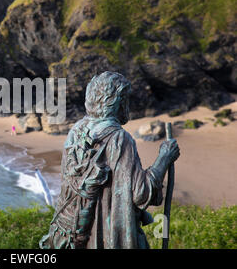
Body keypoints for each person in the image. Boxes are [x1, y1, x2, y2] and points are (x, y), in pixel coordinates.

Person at [39, 71, 180, 249]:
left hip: (78, 236)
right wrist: (164, 158)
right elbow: (141, 193)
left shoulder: (77, 130)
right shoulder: (120, 139)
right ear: (117, 102)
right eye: (126, 100)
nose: (127, 105)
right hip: (108, 238)